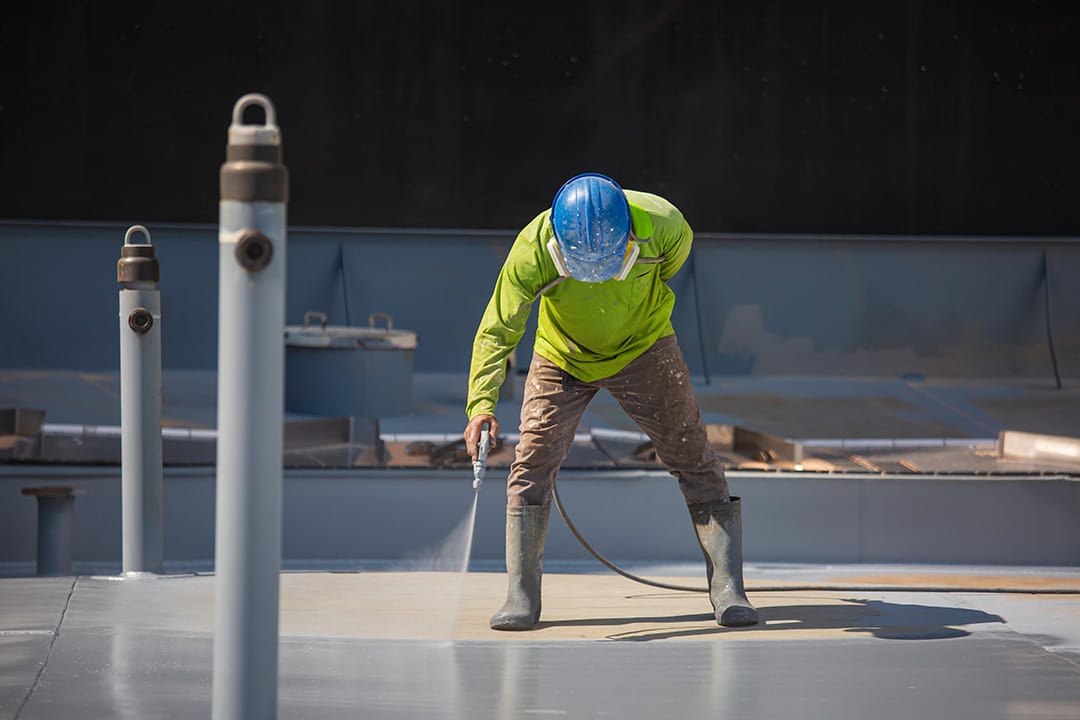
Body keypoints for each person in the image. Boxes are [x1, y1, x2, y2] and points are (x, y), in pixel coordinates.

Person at [463, 173, 758, 631]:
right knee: (532, 461)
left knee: (691, 451)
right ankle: (522, 596)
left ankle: (727, 588)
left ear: (628, 240)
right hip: (563, 354)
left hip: (645, 345)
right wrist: (481, 405)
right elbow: (499, 327)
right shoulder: (534, 248)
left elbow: (670, 266)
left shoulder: (664, 225)